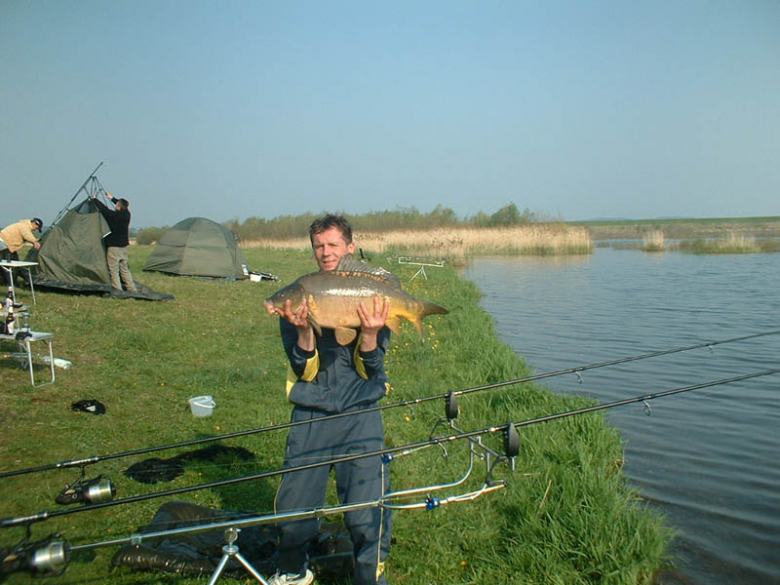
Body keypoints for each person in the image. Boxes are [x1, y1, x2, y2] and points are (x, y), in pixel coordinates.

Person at [265, 214, 392, 585]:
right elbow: (302, 368)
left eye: (333, 245)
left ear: (350, 247)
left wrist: (369, 334)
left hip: (360, 410)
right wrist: (304, 330)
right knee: (294, 509)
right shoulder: (300, 295)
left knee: (367, 511)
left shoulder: (371, 289)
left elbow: (373, 368)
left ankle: (370, 577)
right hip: (312, 411)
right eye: (319, 246)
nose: (326, 252)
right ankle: (292, 571)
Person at [90, 191, 137, 292]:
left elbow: (104, 209)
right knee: (124, 269)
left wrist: (94, 199)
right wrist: (111, 198)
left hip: (114, 247)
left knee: (114, 270)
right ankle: (132, 289)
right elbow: (121, 206)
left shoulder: (114, 216)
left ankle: (117, 290)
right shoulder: (127, 214)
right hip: (123, 247)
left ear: (118, 206)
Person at [0, 218, 43, 287]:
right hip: (4, 243)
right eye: (37, 228)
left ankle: (19, 281)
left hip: (8, 245)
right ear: (34, 223)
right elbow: (26, 234)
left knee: (14, 262)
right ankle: (10, 283)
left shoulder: (24, 225)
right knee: (8, 264)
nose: (36, 230)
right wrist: (34, 241)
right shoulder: (24, 226)